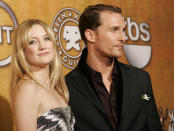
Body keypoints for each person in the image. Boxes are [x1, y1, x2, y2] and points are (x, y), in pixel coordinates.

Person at [65, 4, 163, 131]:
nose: (122, 37)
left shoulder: (140, 79)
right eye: (114, 30)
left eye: (123, 30)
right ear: (90, 35)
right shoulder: (66, 87)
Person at [10, 19, 75, 131]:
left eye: (46, 38)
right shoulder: (28, 88)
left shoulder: (56, 87)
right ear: (23, 52)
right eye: (32, 42)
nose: (42, 46)